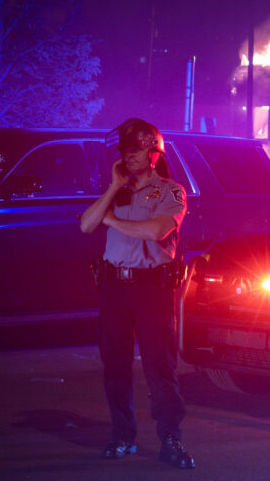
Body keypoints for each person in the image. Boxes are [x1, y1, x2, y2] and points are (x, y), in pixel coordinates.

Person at [80, 118, 194, 469]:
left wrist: (111, 221)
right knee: (115, 365)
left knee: (160, 366)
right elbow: (86, 224)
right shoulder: (119, 189)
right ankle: (122, 436)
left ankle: (171, 438)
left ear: (153, 153)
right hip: (115, 286)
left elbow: (157, 230)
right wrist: (113, 189)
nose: (126, 156)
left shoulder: (171, 192)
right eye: (124, 150)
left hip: (152, 287)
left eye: (134, 150)